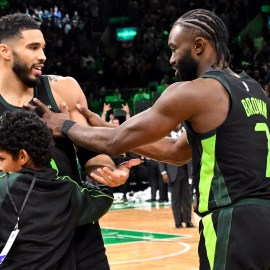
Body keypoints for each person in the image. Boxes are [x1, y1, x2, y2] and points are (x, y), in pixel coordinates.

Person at [29, 9, 270, 269]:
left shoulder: (196, 91)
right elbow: (177, 152)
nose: (171, 59)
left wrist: (64, 125)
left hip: (233, 219)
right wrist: (102, 125)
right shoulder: (253, 89)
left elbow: (115, 143)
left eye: (175, 49)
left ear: (199, 46)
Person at [0, 13, 140, 269]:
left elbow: (92, 151)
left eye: (43, 48)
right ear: (5, 51)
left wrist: (105, 173)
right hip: (23, 234)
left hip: (78, 229)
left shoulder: (63, 89)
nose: (42, 55)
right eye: (33, 48)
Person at [0, 110, 113, 269]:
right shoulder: (67, 190)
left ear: (22, 157)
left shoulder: (5, 184)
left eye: (1, 159)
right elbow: (103, 197)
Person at [159, 124, 193, 228]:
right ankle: (178, 222)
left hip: (186, 171)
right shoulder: (166, 136)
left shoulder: (186, 134)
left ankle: (188, 221)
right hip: (172, 172)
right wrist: (163, 172)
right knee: (175, 199)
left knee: (187, 198)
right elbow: (161, 155)